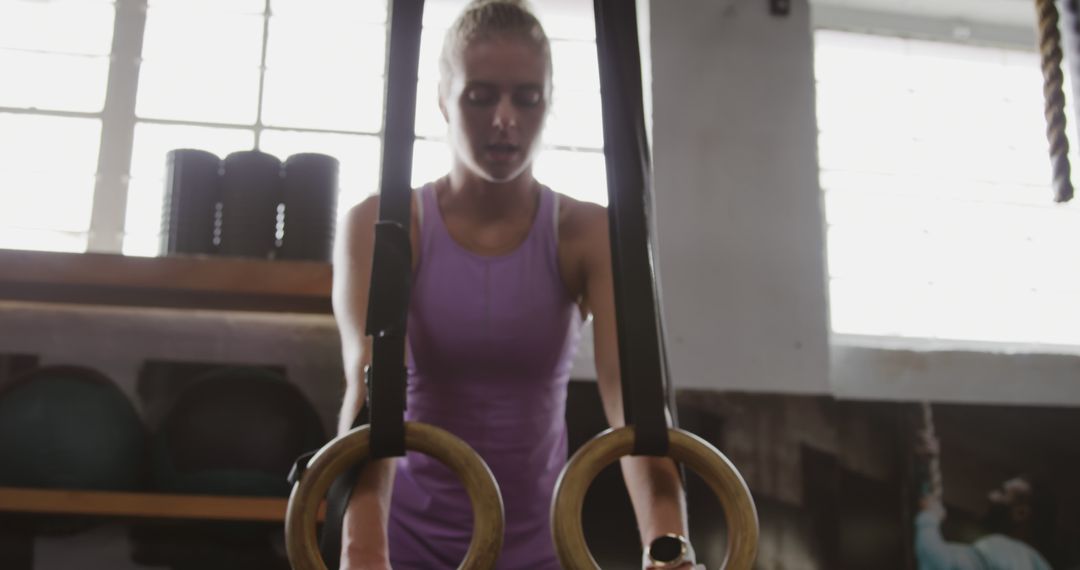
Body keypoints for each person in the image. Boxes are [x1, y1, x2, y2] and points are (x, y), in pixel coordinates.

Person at [331, 1, 701, 568]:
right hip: (402, 545)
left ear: (548, 103)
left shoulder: (588, 233)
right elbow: (370, 390)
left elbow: (635, 406)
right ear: (442, 98)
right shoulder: (382, 225)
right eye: (480, 96)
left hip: (538, 546)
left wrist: (668, 545)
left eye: (527, 98)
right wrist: (362, 552)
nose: (505, 119)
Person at [914, 430, 1054, 570]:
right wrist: (925, 467)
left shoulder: (1003, 550)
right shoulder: (1038, 564)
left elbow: (936, 564)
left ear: (1020, 513)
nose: (990, 495)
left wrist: (928, 518)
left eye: (1002, 493)